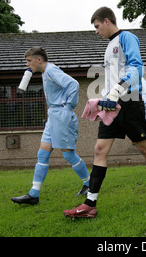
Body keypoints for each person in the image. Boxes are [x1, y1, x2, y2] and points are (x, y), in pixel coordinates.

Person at [63, 7, 146, 219]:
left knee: (143, 147)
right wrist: (103, 98)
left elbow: (136, 68)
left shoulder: (127, 38)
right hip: (111, 104)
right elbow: (113, 78)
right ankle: (90, 204)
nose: (95, 31)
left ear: (106, 20)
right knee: (99, 149)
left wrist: (117, 90)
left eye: (96, 26)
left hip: (130, 101)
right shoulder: (108, 47)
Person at [11, 47, 90, 205]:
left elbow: (73, 84)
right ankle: (34, 194)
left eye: (29, 61)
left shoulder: (51, 70)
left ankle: (89, 184)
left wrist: (68, 106)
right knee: (42, 154)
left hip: (61, 115)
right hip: (52, 116)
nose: (27, 64)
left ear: (39, 59)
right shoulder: (44, 73)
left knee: (68, 155)